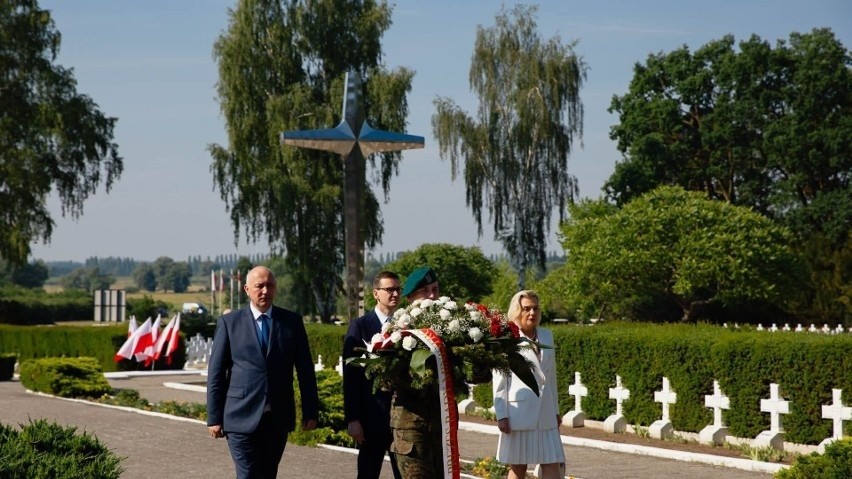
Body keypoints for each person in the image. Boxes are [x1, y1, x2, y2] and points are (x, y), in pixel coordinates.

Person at [206, 266, 319, 479]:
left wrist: (310, 410)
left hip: (277, 417)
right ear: (247, 289)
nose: (265, 291)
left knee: (268, 474)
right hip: (239, 416)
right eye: (259, 286)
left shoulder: (291, 322)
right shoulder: (229, 323)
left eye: (270, 286)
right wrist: (214, 417)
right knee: (247, 474)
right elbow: (216, 374)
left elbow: (305, 370)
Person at [492, 290, 564, 479]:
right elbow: (500, 379)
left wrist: (556, 411)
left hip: (546, 413)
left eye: (535, 308)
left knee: (552, 462)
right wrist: (502, 415)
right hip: (518, 414)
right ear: (517, 311)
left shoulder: (547, 336)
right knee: (518, 467)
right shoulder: (507, 339)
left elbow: (551, 377)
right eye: (526, 309)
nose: (532, 313)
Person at [343, 271, 404, 479]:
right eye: (389, 289)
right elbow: (351, 377)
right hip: (372, 419)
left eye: (398, 289)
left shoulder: (407, 325)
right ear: (376, 293)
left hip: (402, 419)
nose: (394, 294)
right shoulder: (359, 327)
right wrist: (353, 419)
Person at [389, 265, 445, 478]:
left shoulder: (450, 330)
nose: (432, 296)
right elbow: (385, 379)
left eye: (435, 289)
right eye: (425, 291)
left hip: (441, 426)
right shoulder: (396, 331)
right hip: (410, 427)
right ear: (410, 297)